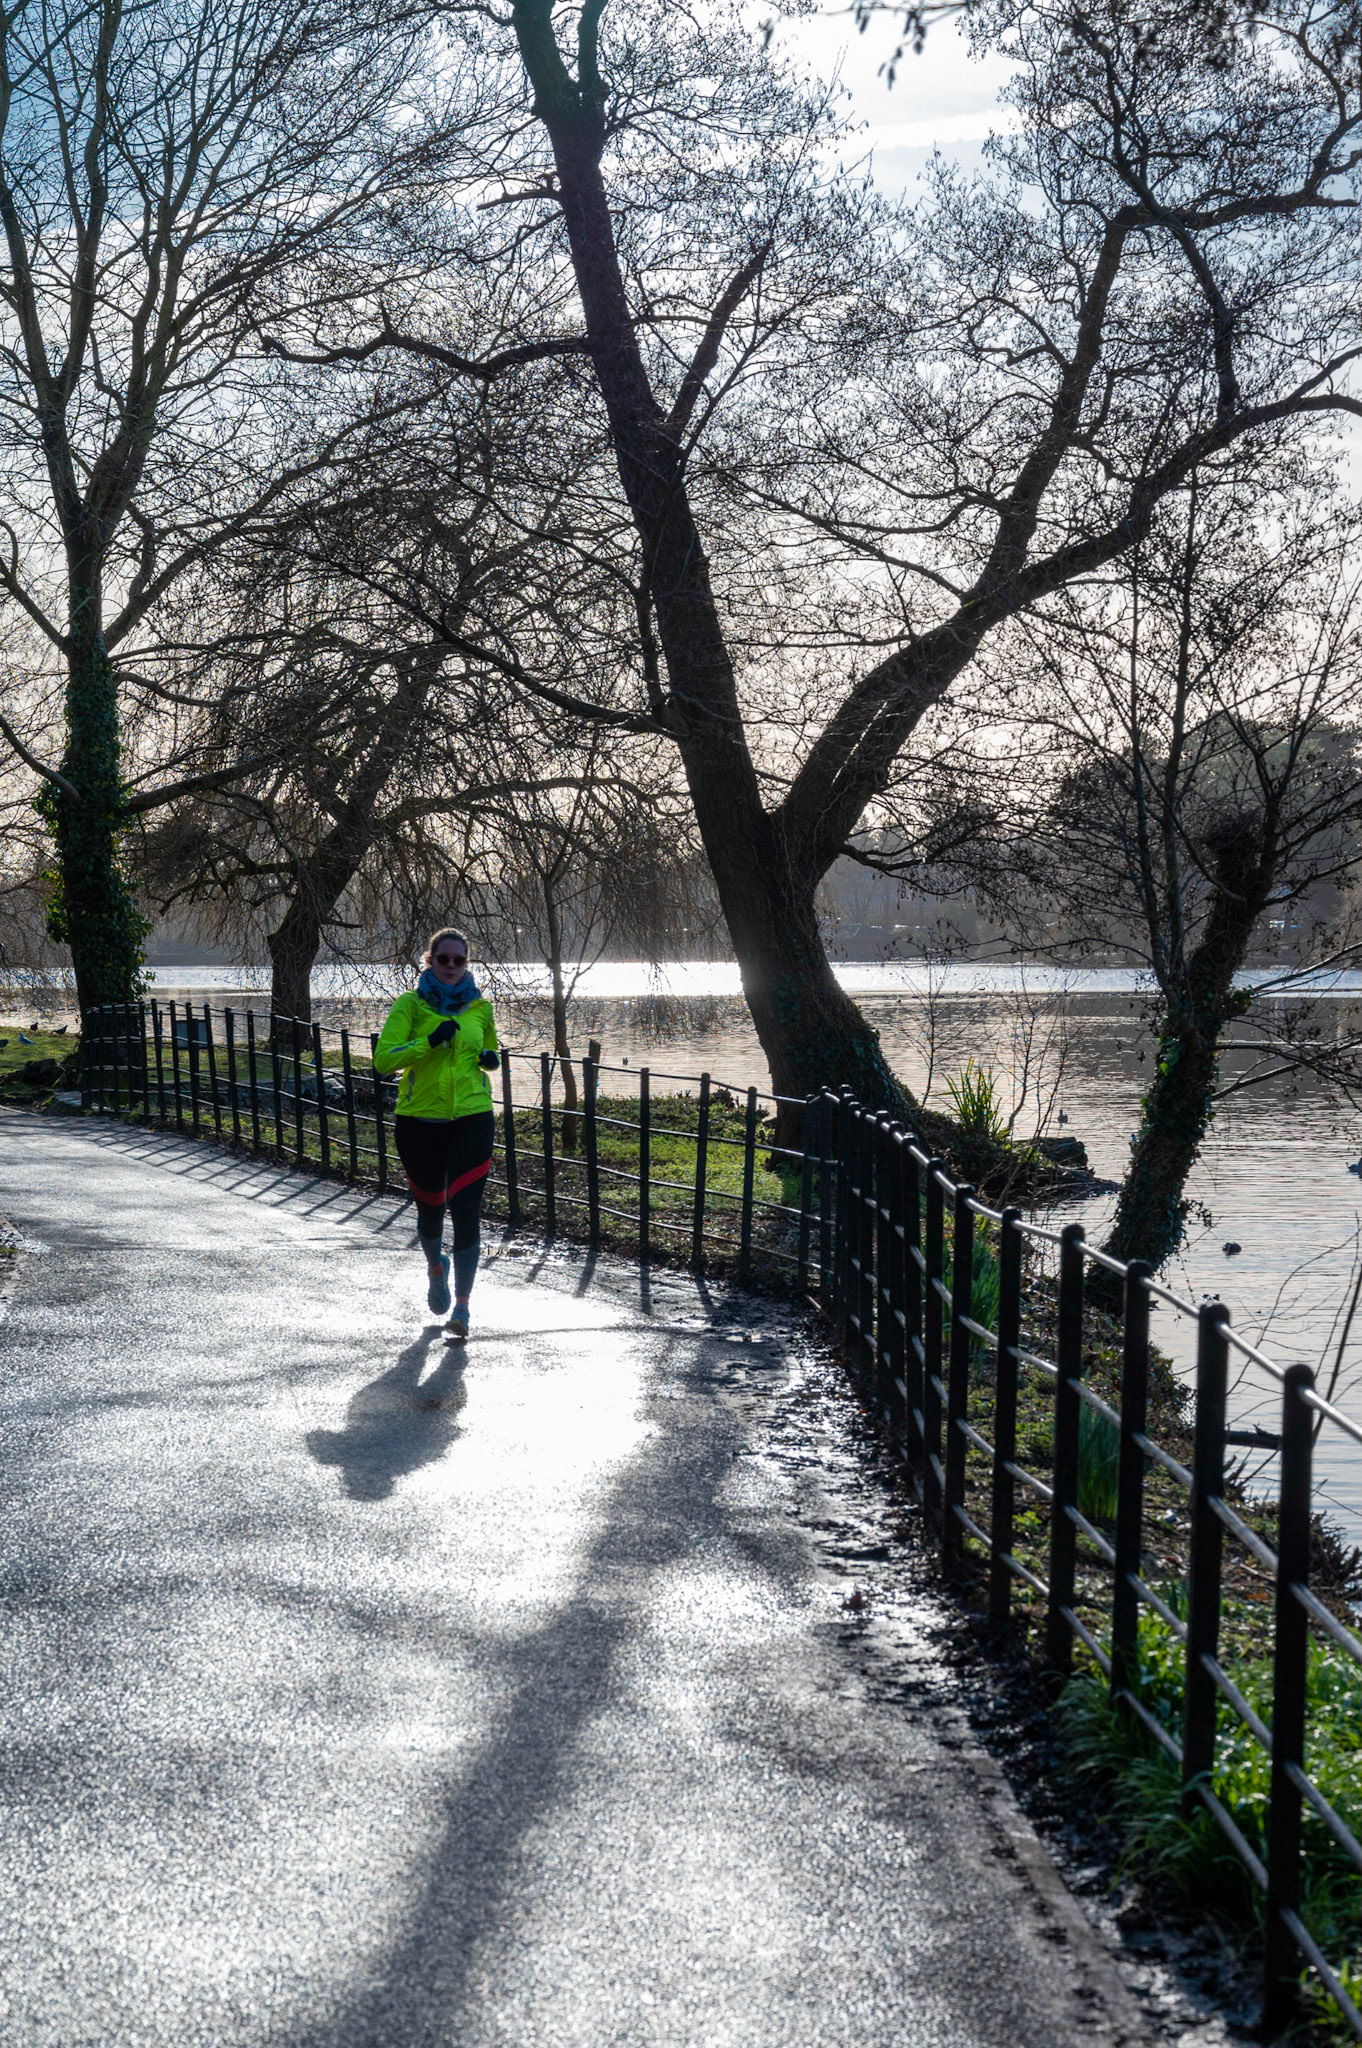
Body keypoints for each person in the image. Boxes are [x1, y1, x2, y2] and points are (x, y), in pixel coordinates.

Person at [373, 927, 500, 1342]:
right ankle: (435, 1267)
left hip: (472, 1118)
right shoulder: (410, 1005)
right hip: (419, 1122)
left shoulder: (480, 1008)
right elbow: (382, 1061)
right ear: (429, 961)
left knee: (467, 1210)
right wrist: (428, 1041)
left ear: (467, 964)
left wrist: (490, 1059)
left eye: (458, 960)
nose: (450, 967)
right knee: (430, 1210)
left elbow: (491, 1052)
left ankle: (462, 1309)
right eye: (442, 959)